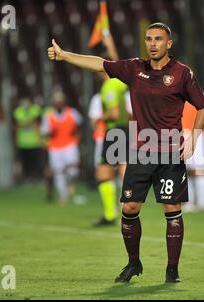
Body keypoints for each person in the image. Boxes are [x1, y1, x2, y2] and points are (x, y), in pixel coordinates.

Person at [48, 22, 204, 283]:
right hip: (141, 152)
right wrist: (65, 55)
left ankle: (172, 270)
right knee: (130, 206)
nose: (153, 43)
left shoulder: (182, 74)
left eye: (158, 39)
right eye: (149, 39)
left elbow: (202, 108)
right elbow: (99, 63)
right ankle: (134, 263)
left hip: (170, 153)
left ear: (169, 43)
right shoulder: (134, 69)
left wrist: (192, 138)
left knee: (171, 209)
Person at [93, 33, 132, 227]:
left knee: (103, 173)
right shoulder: (118, 81)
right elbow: (117, 63)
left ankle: (111, 214)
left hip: (114, 130)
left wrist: (102, 117)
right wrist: (110, 42)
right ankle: (128, 208)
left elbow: (115, 113)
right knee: (123, 169)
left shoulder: (108, 87)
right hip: (125, 131)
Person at [40, 91, 83, 205]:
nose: (58, 104)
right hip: (55, 148)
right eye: (56, 102)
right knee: (58, 172)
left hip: (70, 145)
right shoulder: (48, 116)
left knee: (73, 169)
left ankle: (70, 184)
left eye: (60, 101)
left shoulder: (72, 113)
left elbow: (79, 126)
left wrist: (77, 138)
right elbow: (44, 132)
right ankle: (63, 196)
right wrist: (50, 132)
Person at [182, 94, 204, 212]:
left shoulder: (191, 92)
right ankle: (192, 203)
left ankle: (200, 203)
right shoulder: (194, 92)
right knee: (189, 171)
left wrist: (199, 128)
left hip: (194, 135)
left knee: (198, 171)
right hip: (187, 134)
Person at [13, 98, 43, 181]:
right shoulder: (18, 112)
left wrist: (40, 139)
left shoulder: (35, 110)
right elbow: (16, 126)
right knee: (26, 163)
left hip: (35, 142)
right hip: (23, 142)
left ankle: (37, 178)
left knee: (36, 162)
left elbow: (37, 124)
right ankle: (27, 178)